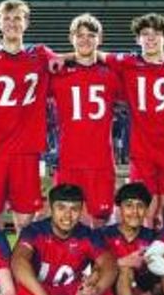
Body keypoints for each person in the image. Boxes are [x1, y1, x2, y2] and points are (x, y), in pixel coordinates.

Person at [0, 0, 57, 232]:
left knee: (26, 221)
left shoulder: (40, 54)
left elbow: (67, 60)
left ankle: (20, 268)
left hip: (27, 149)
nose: (12, 23)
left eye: (17, 18)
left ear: (26, 23)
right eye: (7, 18)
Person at [108, 13, 164, 228]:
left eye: (156, 34)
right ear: (137, 39)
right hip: (142, 151)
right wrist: (62, 58)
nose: (150, 39)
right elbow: (94, 55)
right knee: (145, 212)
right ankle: (148, 258)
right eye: (145, 34)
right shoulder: (127, 63)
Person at [10, 184, 122, 295]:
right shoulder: (34, 231)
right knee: (23, 282)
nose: (68, 215)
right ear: (50, 208)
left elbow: (109, 265)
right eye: (61, 208)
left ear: (82, 210)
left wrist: (97, 289)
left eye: (74, 209)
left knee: (99, 277)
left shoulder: (87, 235)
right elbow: (18, 262)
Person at [49, 13, 123, 227]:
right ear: (71, 38)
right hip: (70, 159)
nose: (85, 40)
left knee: (101, 224)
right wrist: (66, 58)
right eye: (79, 35)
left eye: (91, 35)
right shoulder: (58, 73)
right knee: (70, 223)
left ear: (100, 39)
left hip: (101, 160)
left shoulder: (111, 74)